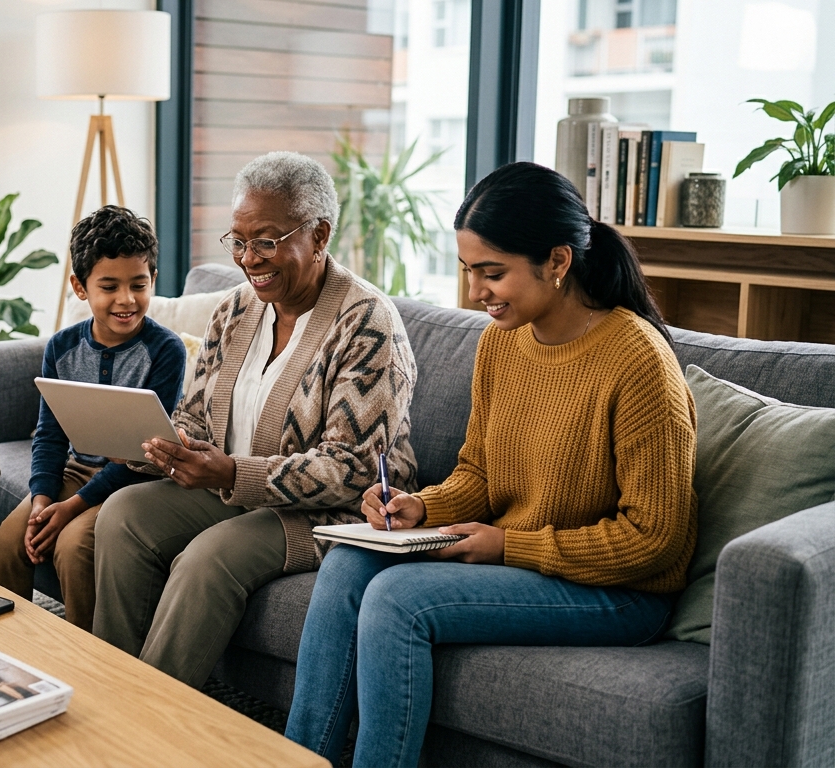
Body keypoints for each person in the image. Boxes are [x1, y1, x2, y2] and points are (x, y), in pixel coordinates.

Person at [283, 161, 698, 767]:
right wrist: (423, 505)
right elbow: (479, 471)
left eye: (492, 273)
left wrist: (509, 546)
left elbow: (655, 541)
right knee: (349, 560)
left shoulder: (637, 363)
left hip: (622, 591)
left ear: (557, 262)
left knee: (399, 599)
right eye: (468, 271)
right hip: (534, 559)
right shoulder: (502, 343)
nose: (476, 292)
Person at [92, 151, 419, 687]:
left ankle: (151, 720)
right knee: (123, 513)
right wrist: (158, 447)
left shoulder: (366, 321)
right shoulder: (236, 309)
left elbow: (356, 468)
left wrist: (230, 474)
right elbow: (196, 419)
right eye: (238, 241)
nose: (249, 258)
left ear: (319, 235)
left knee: (209, 558)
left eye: (266, 241)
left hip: (331, 514)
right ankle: (112, 690)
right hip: (233, 492)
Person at [0, 206, 186, 630]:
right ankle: (11, 648)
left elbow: (146, 455)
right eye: (109, 286)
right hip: (78, 469)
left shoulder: (166, 351)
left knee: (74, 546)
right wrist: (43, 499)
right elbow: (50, 435)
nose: (126, 300)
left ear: (153, 280)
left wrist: (72, 508)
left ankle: (91, 665)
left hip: (138, 479)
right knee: (8, 541)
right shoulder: (61, 348)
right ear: (80, 287)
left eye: (139, 284)